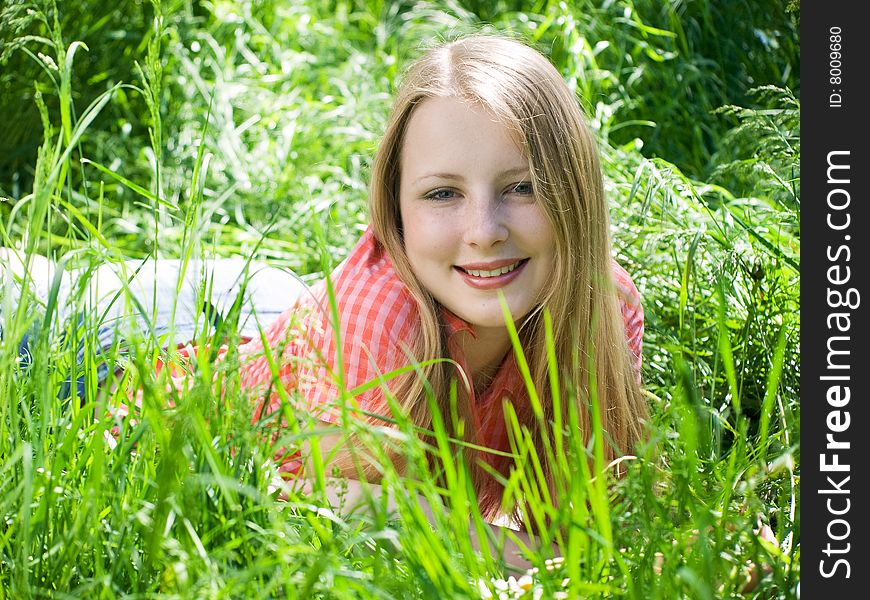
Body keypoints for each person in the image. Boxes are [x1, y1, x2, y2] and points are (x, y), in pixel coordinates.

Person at [229, 33, 647, 568]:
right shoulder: (378, 319)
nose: (483, 231)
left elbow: (596, 505)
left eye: (522, 187)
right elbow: (342, 504)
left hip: (276, 317)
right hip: (148, 354)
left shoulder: (603, 305)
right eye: (443, 193)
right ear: (395, 213)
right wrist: (538, 560)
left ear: (575, 192)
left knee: (273, 297)